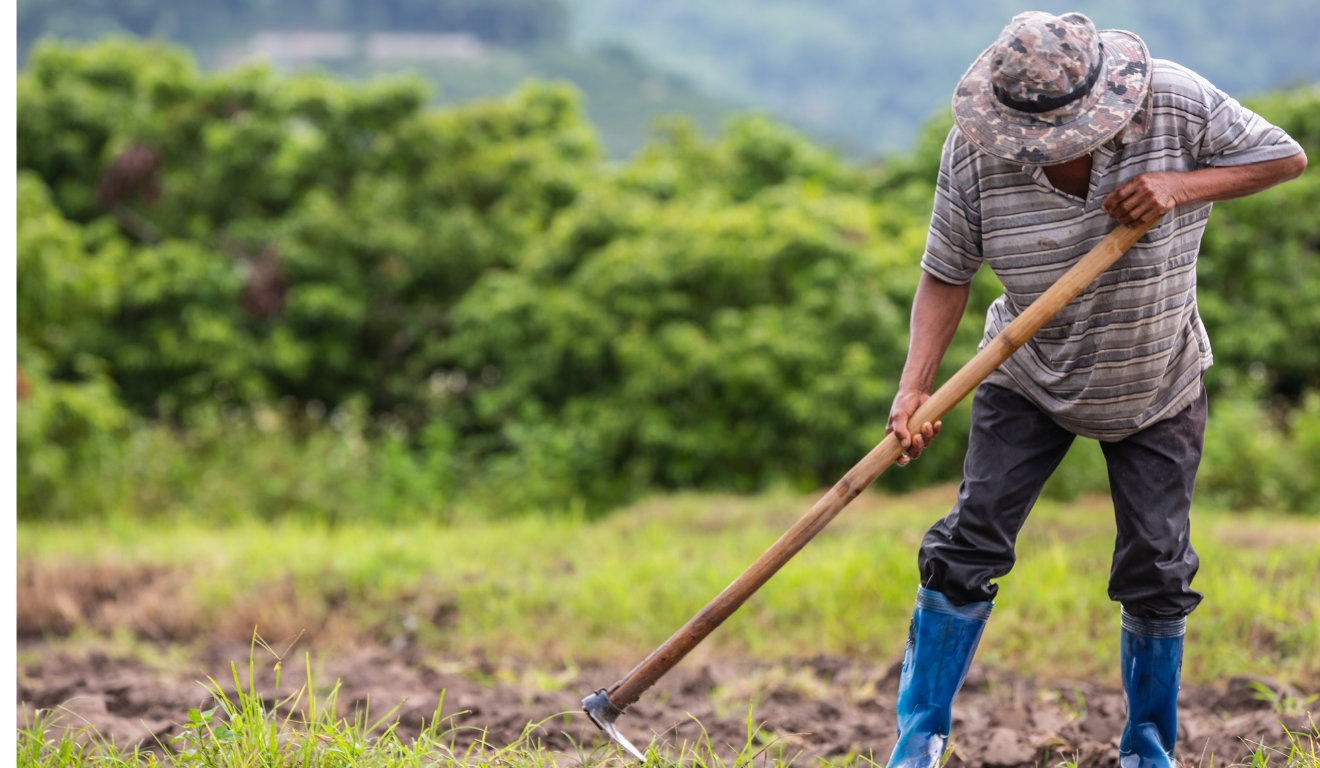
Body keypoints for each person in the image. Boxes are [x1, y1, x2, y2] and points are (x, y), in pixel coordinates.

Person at [882, 12, 1307, 768]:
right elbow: (946, 273)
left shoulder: (1175, 101)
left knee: (1156, 566)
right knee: (966, 547)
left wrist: (1180, 185)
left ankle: (1148, 751)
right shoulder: (976, 153)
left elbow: (1285, 157)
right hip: (1026, 373)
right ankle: (918, 744)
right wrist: (914, 392)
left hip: (1157, 376)